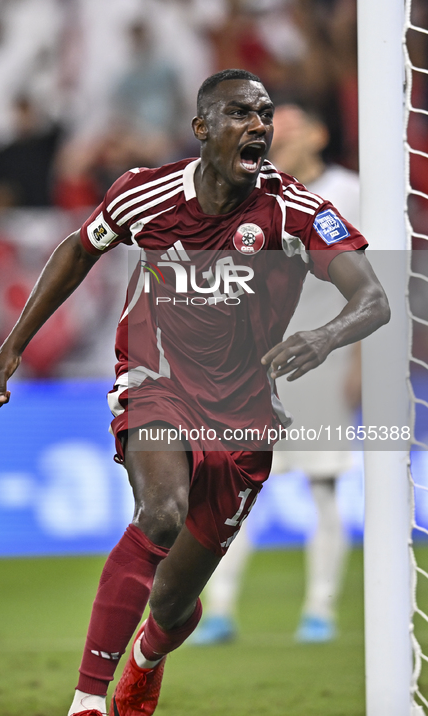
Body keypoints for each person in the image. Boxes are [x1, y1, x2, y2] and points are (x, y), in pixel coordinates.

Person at [0, 69, 389, 716]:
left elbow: (371, 297)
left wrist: (325, 337)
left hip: (246, 413)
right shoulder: (146, 194)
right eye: (238, 113)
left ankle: (146, 656)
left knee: (172, 601)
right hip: (156, 380)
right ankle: (86, 701)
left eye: (264, 114)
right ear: (201, 129)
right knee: (160, 512)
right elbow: (78, 250)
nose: (257, 125)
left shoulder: (294, 210)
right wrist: (10, 350)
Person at [191, 101, 362, 646]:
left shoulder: (351, 192)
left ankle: (320, 610)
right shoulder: (257, 196)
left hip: (323, 363)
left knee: (324, 485)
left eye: (287, 127)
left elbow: (375, 282)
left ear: (318, 133)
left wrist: (360, 360)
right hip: (256, 365)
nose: (275, 136)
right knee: (234, 486)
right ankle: (218, 610)